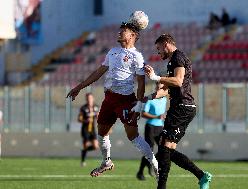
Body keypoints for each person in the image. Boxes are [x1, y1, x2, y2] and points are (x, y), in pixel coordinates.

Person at [66, 21, 159, 180]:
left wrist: (139, 105)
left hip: (125, 101)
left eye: (123, 31)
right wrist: (79, 87)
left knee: (133, 137)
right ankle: (106, 162)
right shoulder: (112, 52)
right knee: (101, 133)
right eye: (120, 30)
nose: (119, 33)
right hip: (109, 99)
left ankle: (156, 167)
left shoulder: (137, 56)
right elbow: (99, 72)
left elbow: (141, 83)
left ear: (132, 35)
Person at [144, 34, 212, 189]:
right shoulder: (172, 62)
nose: (158, 52)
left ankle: (163, 187)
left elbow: (178, 80)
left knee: (163, 148)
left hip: (182, 107)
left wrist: (156, 77)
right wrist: (145, 98)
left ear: (166, 44)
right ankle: (202, 176)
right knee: (166, 150)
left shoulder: (177, 57)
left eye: (159, 48)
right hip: (180, 108)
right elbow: (166, 90)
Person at [136, 82, 167, 181]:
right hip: (150, 127)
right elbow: (143, 114)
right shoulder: (150, 100)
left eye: (161, 88)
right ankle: (140, 172)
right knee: (149, 150)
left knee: (163, 149)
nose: (159, 89)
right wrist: (157, 116)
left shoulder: (164, 99)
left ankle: (151, 164)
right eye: (158, 87)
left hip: (160, 127)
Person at [78, 93, 99, 167]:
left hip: (92, 130)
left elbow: (98, 116)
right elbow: (79, 119)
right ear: (86, 99)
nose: (89, 100)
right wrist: (86, 120)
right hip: (85, 129)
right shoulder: (83, 108)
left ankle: (83, 151)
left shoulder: (96, 107)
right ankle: (83, 161)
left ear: (93, 99)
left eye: (90, 98)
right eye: (88, 98)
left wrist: (98, 117)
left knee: (96, 146)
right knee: (86, 145)